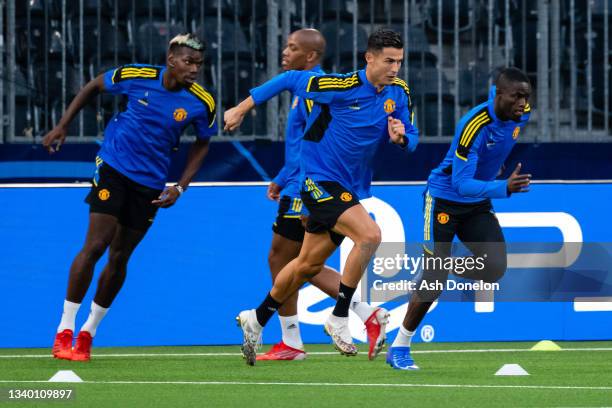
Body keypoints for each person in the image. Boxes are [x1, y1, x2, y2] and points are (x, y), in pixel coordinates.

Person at [228, 28, 419, 366]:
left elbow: (411, 136)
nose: (395, 68)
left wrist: (402, 138)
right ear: (369, 58)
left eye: (399, 62)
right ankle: (340, 316)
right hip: (320, 180)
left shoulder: (398, 92)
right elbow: (289, 79)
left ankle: (255, 319)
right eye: (389, 61)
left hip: (352, 186)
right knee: (370, 235)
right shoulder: (339, 86)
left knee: (306, 264)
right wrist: (242, 108)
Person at [44, 33, 216, 361]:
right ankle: (64, 330)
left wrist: (180, 186)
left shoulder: (201, 102)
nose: (194, 69)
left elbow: (202, 143)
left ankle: (87, 334)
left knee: (120, 257)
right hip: (114, 168)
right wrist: (63, 125)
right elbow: (93, 86)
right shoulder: (135, 77)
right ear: (171, 61)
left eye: (199, 64)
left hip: (150, 183)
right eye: (188, 62)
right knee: (96, 246)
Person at [386, 67, 532, 370]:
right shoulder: (473, 125)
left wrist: (494, 167)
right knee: (434, 282)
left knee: (494, 267)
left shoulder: (521, 115)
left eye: (526, 96)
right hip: (443, 200)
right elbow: (460, 183)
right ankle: (400, 347)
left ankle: (438, 267)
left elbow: (499, 146)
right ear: (498, 94)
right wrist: (501, 187)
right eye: (517, 96)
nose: (523, 103)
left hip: (476, 203)